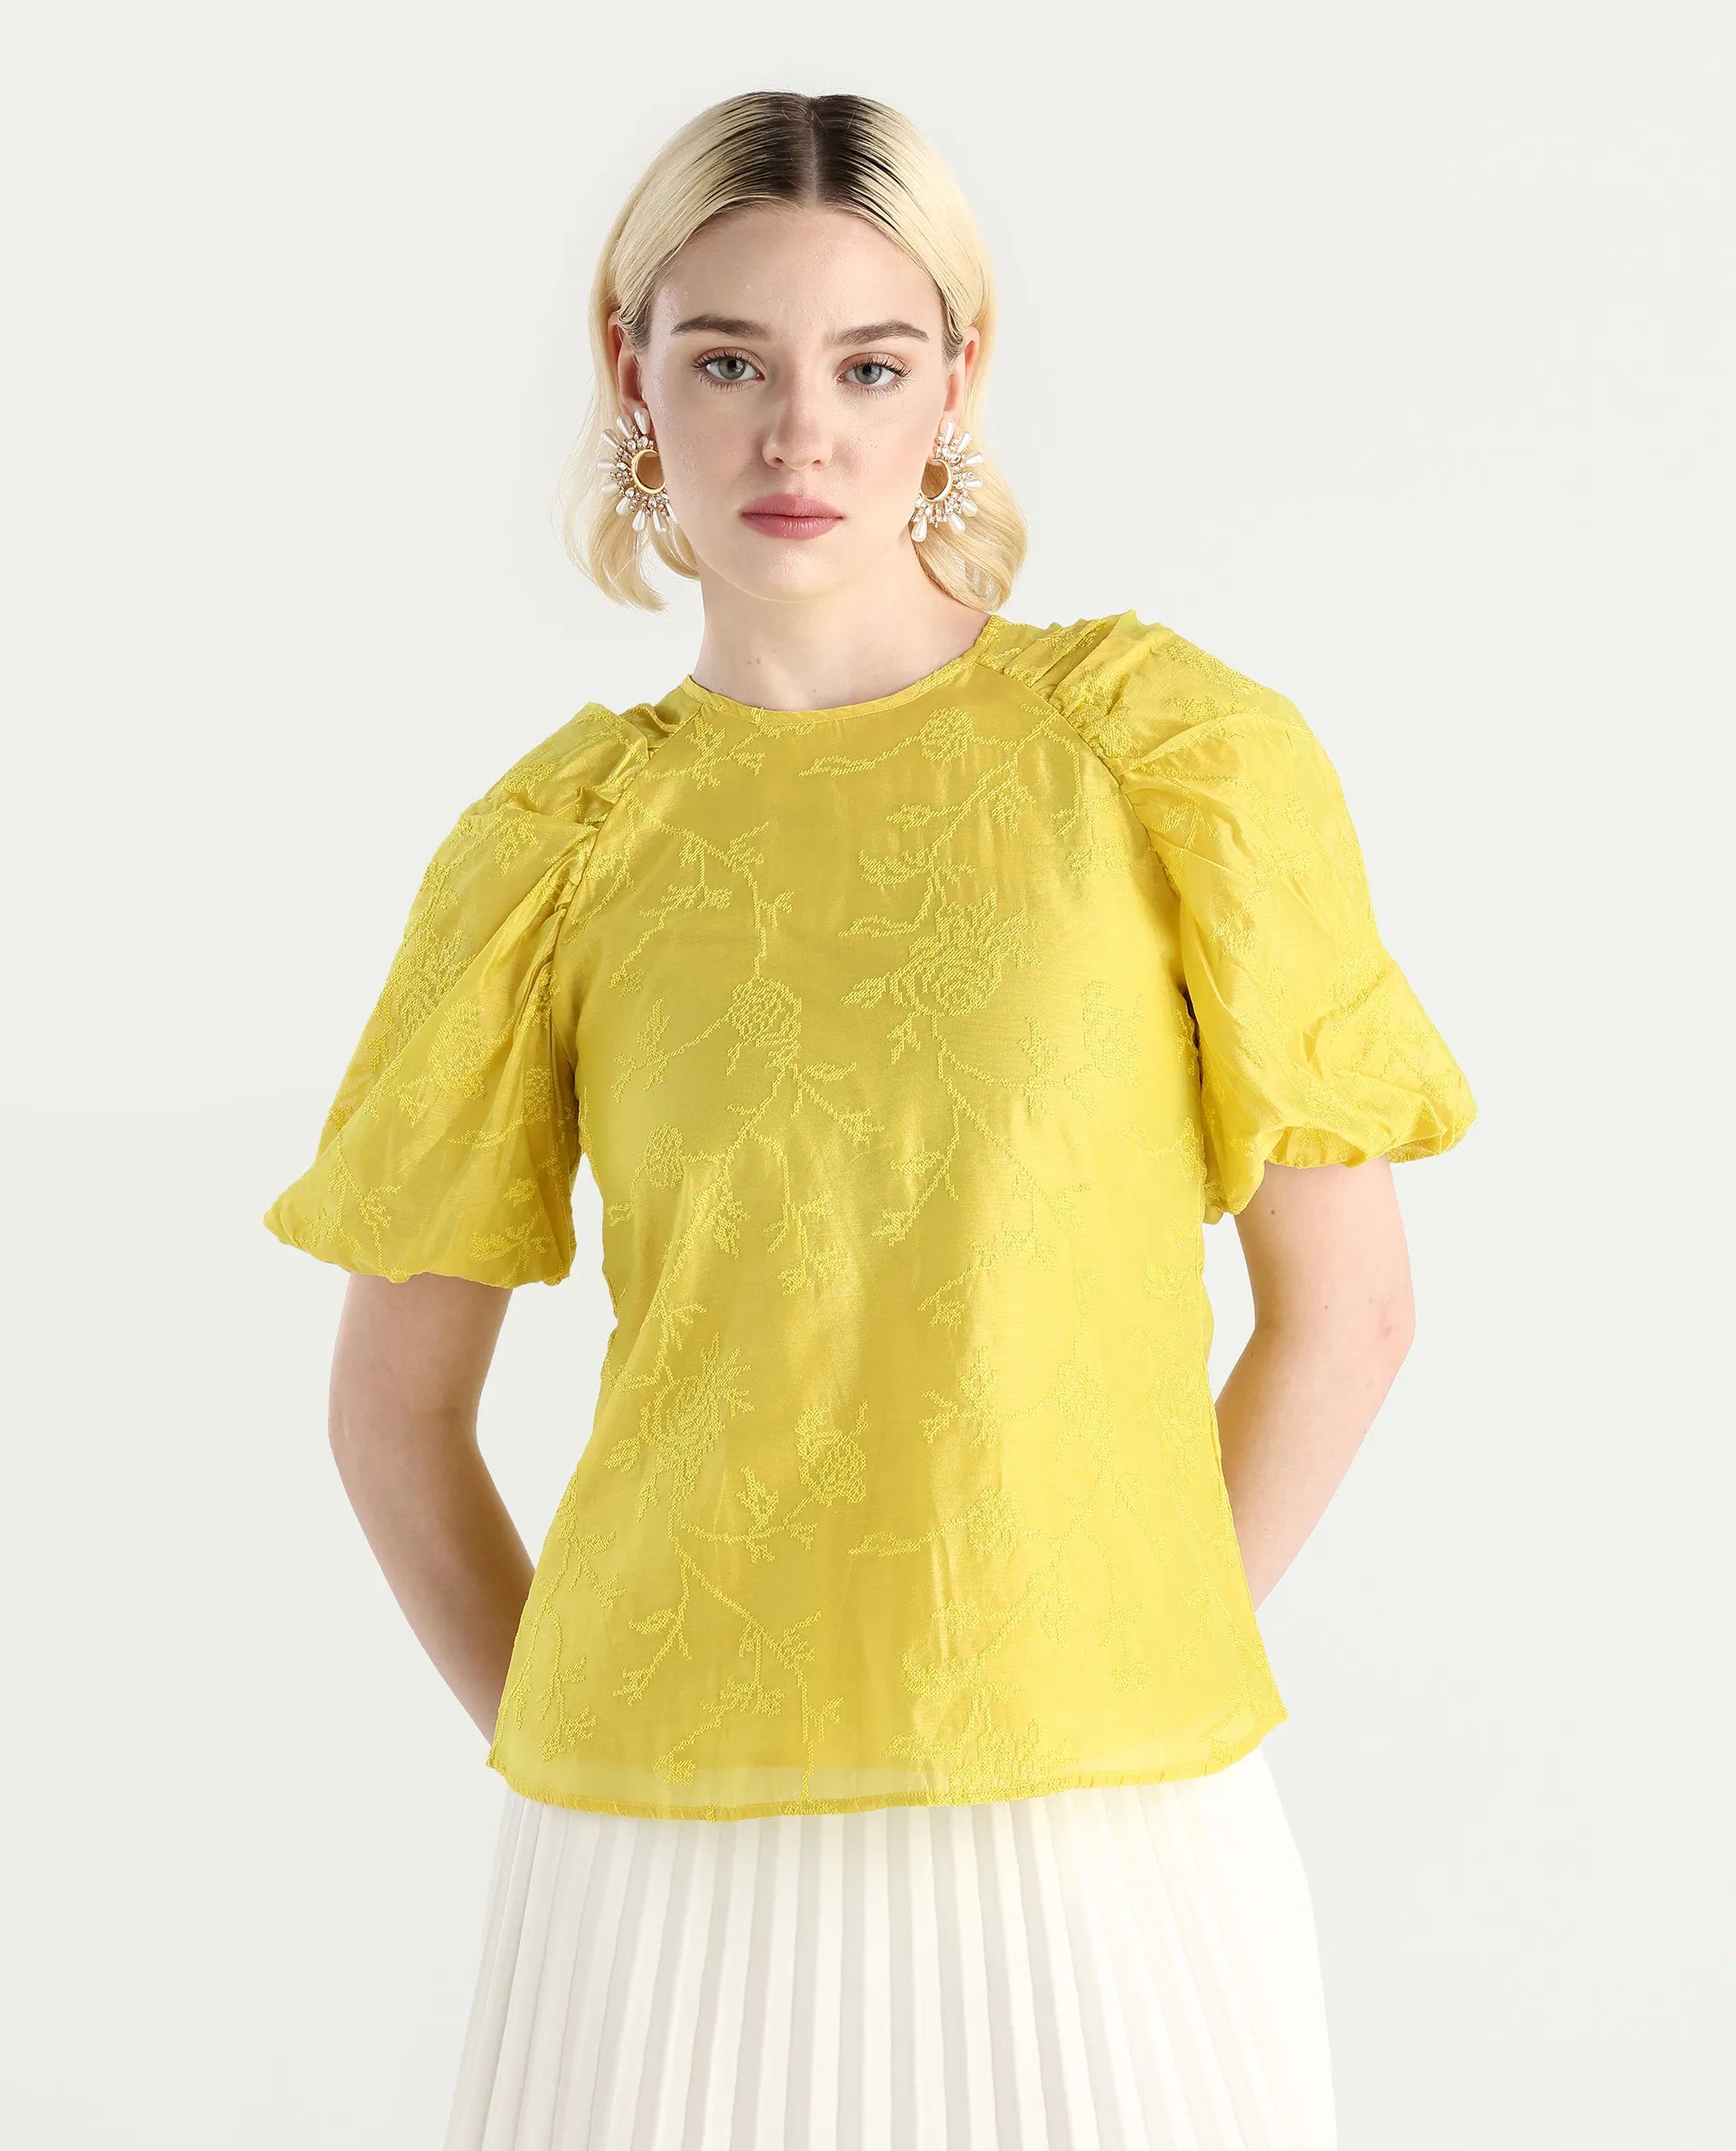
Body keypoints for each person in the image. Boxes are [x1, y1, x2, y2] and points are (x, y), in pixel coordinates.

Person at [262, 89, 1477, 2151]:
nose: (798, 437)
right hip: (654, 1870)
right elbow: (392, 1412)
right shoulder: (557, 851)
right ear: (629, 369)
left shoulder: (1165, 760)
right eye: (730, 360)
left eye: (870, 365)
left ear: (960, 380)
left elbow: (1349, 1312)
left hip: (1108, 1825)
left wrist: (1104, 1652)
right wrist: (604, 1762)